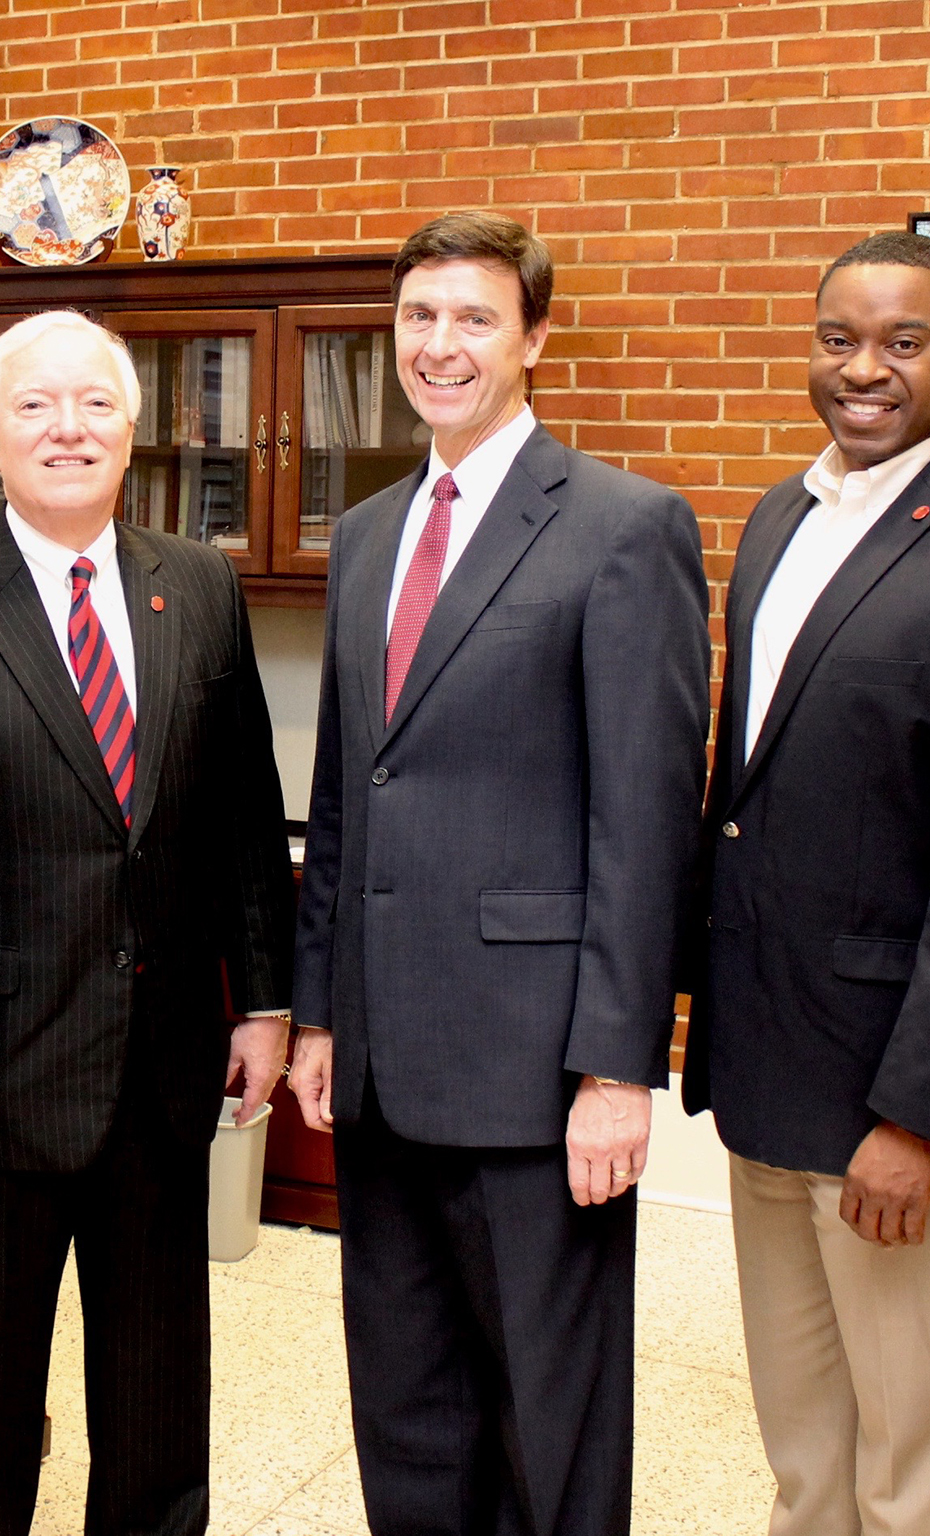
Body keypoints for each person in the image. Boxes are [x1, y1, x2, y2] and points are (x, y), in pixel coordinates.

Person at [290, 212, 711, 1536]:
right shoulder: (367, 534)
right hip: (380, 1068)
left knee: (549, 1424)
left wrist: (616, 1071)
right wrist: (321, 1013)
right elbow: (347, 794)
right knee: (406, 1410)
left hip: (535, 1074)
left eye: (474, 318)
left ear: (534, 338)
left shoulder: (623, 526)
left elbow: (645, 826)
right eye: (418, 317)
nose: (441, 345)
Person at [682, 230, 930, 1535]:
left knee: (923, 1479)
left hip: (904, 1114)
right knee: (809, 1460)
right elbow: (751, 795)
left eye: (902, 342)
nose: (863, 369)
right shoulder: (781, 516)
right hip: (768, 1078)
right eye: (837, 339)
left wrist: (919, 1119)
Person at [0, 311, 297, 1536]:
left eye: (93, 406)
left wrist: (265, 1001)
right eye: (33, 405)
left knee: (155, 1394)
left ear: (131, 433)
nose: (65, 429)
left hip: (161, 1068)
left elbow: (242, 808)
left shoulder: (198, 584)